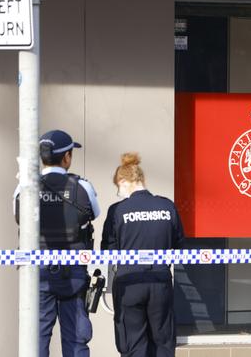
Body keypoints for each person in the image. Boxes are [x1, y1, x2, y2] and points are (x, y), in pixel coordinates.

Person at [13, 129, 100, 357]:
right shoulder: (83, 187)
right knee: (75, 339)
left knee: (37, 339)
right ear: (67, 157)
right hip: (73, 274)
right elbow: (95, 213)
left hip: (38, 273)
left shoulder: (25, 188)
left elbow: (17, 216)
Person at [101, 152, 184, 357]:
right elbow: (179, 244)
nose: (118, 191)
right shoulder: (167, 206)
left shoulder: (117, 211)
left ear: (123, 181)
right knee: (163, 342)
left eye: (117, 186)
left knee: (133, 343)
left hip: (129, 283)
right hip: (160, 282)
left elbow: (108, 251)